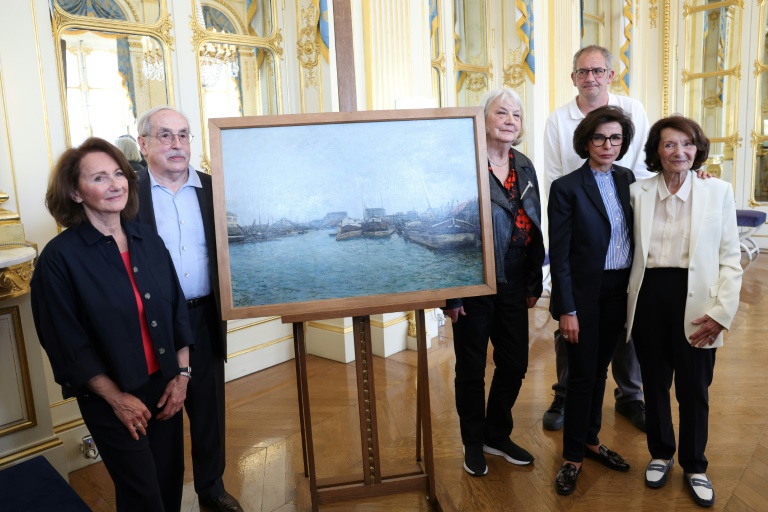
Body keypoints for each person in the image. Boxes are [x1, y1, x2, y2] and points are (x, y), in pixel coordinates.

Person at [31, 137, 194, 511]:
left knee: (169, 488)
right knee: (143, 496)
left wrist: (182, 376)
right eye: (100, 178)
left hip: (167, 387)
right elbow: (65, 343)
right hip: (112, 396)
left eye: (119, 174)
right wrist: (117, 399)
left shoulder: (148, 240)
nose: (115, 184)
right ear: (74, 192)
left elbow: (177, 314)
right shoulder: (59, 259)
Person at [627, 116, 742, 507]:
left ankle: (695, 464)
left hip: (698, 301)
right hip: (648, 296)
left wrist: (722, 313)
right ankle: (661, 453)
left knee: (694, 388)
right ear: (657, 152)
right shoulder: (637, 192)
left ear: (698, 148)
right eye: (670, 145)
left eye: (687, 144)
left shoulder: (718, 191)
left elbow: (730, 258)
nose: (680, 152)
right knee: (655, 384)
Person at [136, 106, 243, 512]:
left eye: (183, 135)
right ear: (144, 143)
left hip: (204, 317)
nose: (176, 144)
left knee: (208, 409)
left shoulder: (214, 190)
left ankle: (211, 489)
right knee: (162, 410)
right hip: (151, 324)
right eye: (165, 135)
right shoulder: (129, 194)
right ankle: (165, 499)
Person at [542, 44, 651, 432]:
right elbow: (555, 175)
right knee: (569, 324)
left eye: (598, 71)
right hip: (578, 221)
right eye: (583, 72)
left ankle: (630, 395)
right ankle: (565, 392)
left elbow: (644, 167)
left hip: (624, 216)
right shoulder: (559, 119)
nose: (591, 77)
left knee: (626, 322)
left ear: (610, 75)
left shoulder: (633, 109)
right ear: (574, 78)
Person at [443, 88, 545, 477]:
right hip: (474, 280)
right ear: (482, 119)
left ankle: (496, 433)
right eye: (501, 113)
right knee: (470, 368)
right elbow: (454, 238)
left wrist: (534, 280)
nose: (509, 120)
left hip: (517, 277)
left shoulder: (525, 164)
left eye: (516, 115)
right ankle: (473, 442)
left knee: (515, 362)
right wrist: (452, 294)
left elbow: (533, 224)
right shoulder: (464, 165)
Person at [549, 106, 635, 495]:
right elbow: (561, 253)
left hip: (619, 290)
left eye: (615, 138)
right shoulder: (567, 187)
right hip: (584, 295)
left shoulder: (627, 179)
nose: (608, 145)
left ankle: (590, 440)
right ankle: (571, 457)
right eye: (600, 137)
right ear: (586, 141)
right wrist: (567, 308)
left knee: (599, 371)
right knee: (582, 375)